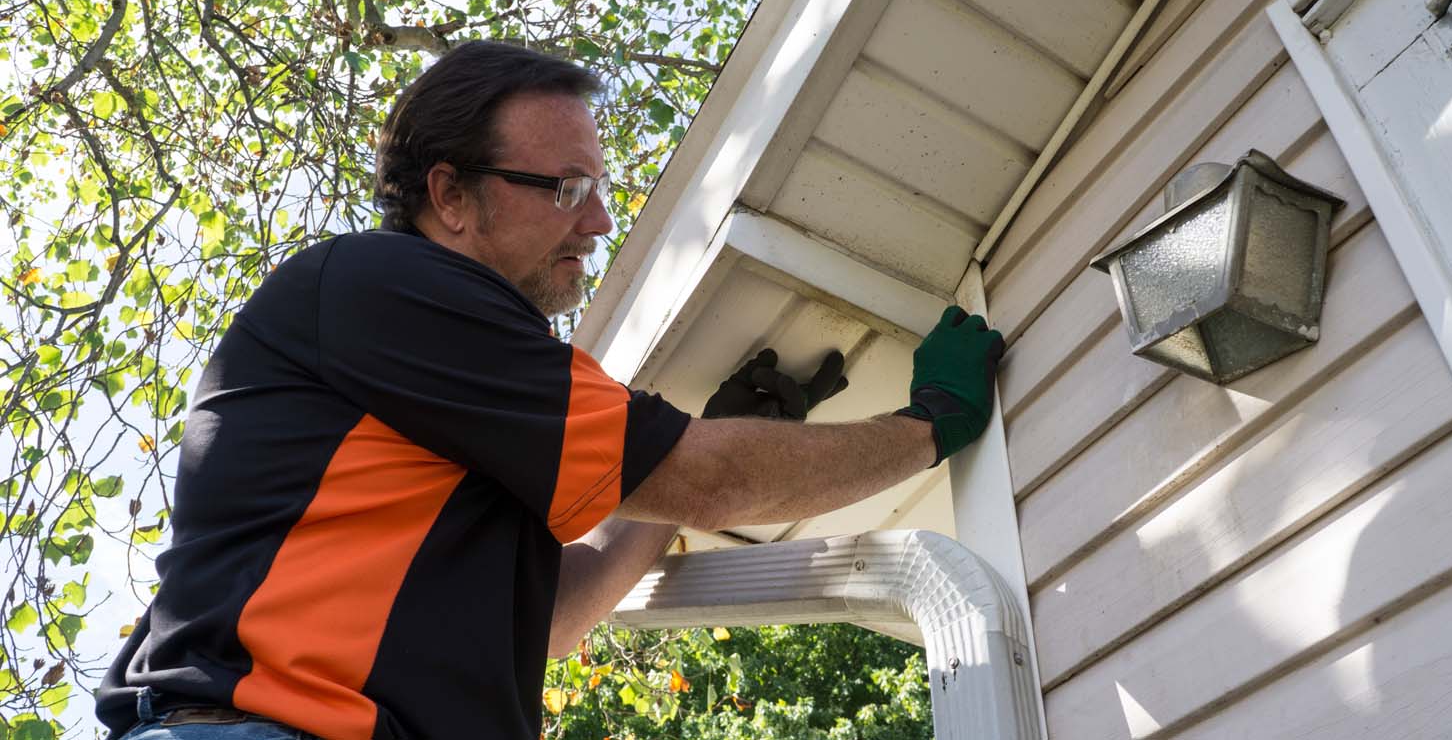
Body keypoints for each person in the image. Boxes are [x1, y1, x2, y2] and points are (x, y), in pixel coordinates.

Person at [95, 41, 1005, 740]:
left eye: (600, 189)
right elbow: (708, 481)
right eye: (567, 186)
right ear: (450, 194)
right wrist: (927, 426)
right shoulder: (386, 289)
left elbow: (556, 617)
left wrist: (707, 444)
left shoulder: (448, 419)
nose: (599, 220)